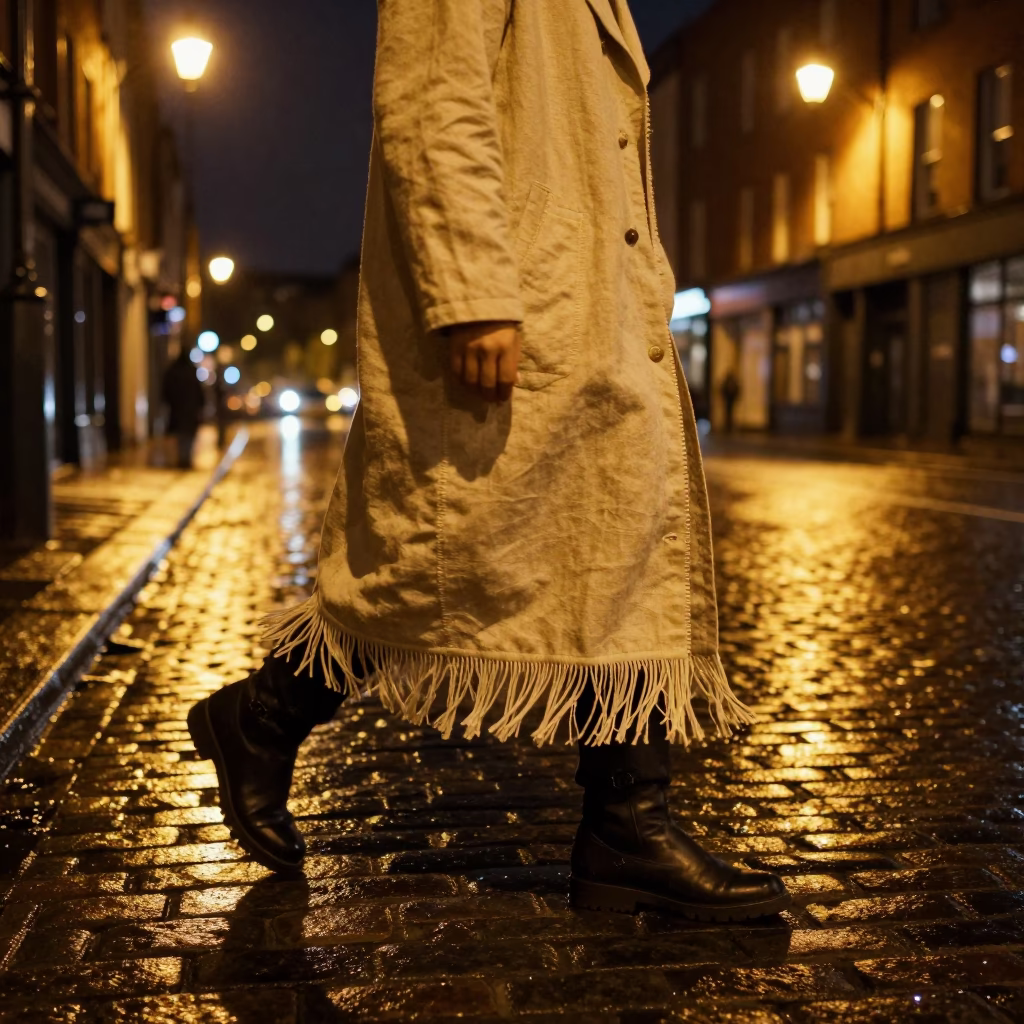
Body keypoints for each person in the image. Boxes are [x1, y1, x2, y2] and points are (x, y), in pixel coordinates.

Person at [187, 0, 790, 922]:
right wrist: (470, 292)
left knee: (622, 543)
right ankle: (262, 718)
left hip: (593, 295)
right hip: (528, 297)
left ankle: (628, 822)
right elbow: (434, 100)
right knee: (445, 554)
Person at [162, 346, 205, 469]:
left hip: (177, 409)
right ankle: (185, 457)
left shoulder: (172, 371)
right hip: (190, 409)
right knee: (188, 434)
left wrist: (169, 402)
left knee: (181, 434)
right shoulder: (191, 371)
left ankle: (182, 457)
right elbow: (199, 391)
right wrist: (201, 405)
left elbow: (166, 390)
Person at [721, 369, 740, 434]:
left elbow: (737, 389)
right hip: (728, 399)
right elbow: (723, 389)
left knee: (731, 413)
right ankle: (727, 426)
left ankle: (730, 426)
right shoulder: (727, 382)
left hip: (731, 400)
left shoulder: (733, 382)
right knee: (727, 413)